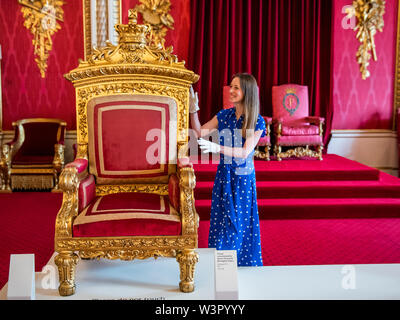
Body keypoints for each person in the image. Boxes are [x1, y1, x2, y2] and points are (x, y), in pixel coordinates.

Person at [189, 73, 266, 266]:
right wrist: (193, 109)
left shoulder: (257, 121)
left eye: (236, 88)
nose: (231, 91)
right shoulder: (224, 115)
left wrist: (217, 148)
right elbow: (200, 133)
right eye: (231, 86)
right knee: (222, 223)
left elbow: (244, 152)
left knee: (236, 225)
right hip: (223, 177)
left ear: (246, 92)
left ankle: (235, 270)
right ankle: (223, 269)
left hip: (242, 179)